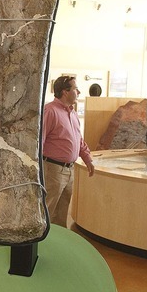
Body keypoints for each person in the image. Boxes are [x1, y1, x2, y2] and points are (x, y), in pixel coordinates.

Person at [42, 75, 94, 227]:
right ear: (65, 92)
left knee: (62, 211)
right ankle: (41, 243)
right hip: (53, 170)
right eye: (75, 89)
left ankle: (59, 244)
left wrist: (87, 159)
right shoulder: (50, 111)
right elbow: (39, 141)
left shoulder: (72, 113)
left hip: (69, 170)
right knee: (47, 210)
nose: (78, 92)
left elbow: (79, 140)